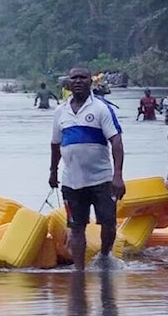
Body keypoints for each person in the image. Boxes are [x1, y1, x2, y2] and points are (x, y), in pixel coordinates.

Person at [49, 65, 126, 271]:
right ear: (69, 82)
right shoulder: (60, 112)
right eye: (74, 78)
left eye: (83, 78)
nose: (78, 81)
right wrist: (53, 171)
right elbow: (56, 144)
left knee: (108, 223)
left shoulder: (101, 108)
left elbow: (116, 142)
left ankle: (104, 255)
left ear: (90, 81)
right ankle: (79, 270)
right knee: (76, 227)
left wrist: (118, 176)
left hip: (101, 180)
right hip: (71, 181)